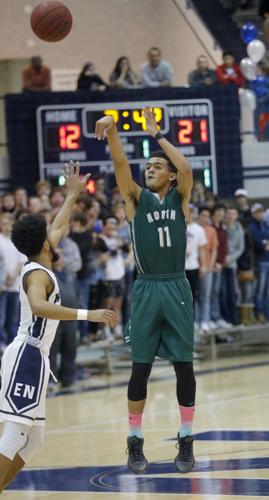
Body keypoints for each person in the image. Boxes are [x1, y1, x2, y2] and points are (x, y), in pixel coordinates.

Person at [0, 162, 117, 492]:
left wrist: (71, 195)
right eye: (50, 235)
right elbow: (38, 306)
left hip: (35, 358)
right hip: (27, 355)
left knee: (32, 443)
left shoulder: (40, 257)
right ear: (46, 243)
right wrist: (87, 314)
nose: (57, 234)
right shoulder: (37, 273)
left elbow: (59, 225)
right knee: (13, 436)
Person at [95, 107, 195, 474]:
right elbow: (121, 164)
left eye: (157, 166)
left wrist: (159, 137)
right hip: (147, 288)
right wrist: (113, 132)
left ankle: (186, 442)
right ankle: (134, 443)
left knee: (185, 367)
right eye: (148, 166)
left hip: (176, 285)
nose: (150, 168)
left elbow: (185, 169)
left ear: (168, 175)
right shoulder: (134, 200)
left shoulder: (179, 197)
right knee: (141, 369)